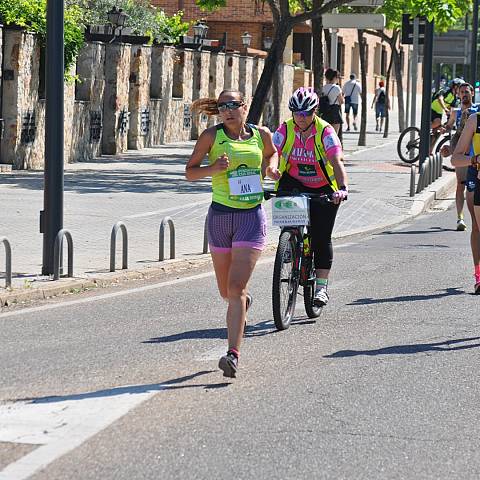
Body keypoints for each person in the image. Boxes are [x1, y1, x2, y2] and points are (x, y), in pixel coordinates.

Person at [185, 89, 279, 377]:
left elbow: (272, 153)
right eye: (223, 106)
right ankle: (242, 304)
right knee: (227, 292)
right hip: (221, 217)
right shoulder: (211, 137)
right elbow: (190, 172)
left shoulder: (260, 134)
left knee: (236, 287)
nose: (227, 111)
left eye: (233, 105)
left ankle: (233, 355)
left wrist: (272, 168)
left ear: (244, 106)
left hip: (251, 216)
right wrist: (212, 168)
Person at [272, 87, 348, 306]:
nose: (301, 118)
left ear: (315, 111)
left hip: (324, 187)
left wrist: (341, 188)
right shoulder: (284, 129)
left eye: (305, 113)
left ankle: (321, 288)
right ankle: (290, 244)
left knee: (321, 238)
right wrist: (271, 171)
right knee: (289, 220)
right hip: (293, 182)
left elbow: (337, 162)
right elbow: (273, 153)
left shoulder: (326, 132)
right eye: (296, 113)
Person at [442, 83, 479, 231]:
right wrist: (449, 147)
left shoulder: (477, 112)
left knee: (474, 190)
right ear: (458, 95)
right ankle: (460, 218)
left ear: (472, 94)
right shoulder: (456, 112)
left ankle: (475, 220)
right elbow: (450, 128)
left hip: (476, 154)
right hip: (463, 156)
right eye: (461, 92)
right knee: (460, 185)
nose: (464, 94)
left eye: (466, 92)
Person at [451, 110, 480, 294]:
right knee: (477, 226)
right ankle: (479, 275)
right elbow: (455, 158)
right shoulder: (475, 120)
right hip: (477, 177)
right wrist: (475, 159)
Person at [320, 68, 344, 134]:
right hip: (335, 112)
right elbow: (341, 102)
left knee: (325, 134)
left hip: (325, 112)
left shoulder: (323, 88)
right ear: (334, 77)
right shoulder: (337, 88)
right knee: (334, 135)